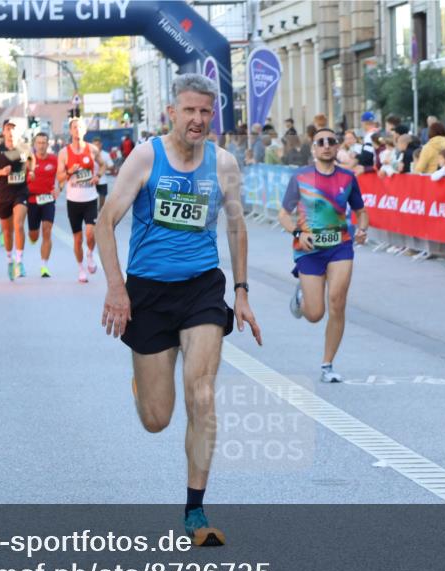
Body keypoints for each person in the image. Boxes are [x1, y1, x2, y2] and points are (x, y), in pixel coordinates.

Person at [95, 73, 262, 546]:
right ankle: (144, 384)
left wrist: (241, 291)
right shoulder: (146, 157)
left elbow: (236, 228)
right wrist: (116, 288)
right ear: (172, 112)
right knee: (157, 419)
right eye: (189, 110)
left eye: (205, 111)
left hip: (201, 289)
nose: (197, 119)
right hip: (148, 292)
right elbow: (106, 222)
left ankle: (195, 510)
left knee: (202, 394)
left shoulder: (223, 163)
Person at [279, 127, 369, 383]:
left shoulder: (348, 177)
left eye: (331, 141)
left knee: (337, 301)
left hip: (340, 246)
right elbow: (284, 214)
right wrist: (298, 233)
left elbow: (361, 211)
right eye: (321, 142)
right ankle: (302, 297)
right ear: (314, 148)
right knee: (315, 314)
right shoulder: (300, 177)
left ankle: (327, 365)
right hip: (309, 249)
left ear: (338, 146)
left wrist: (362, 229)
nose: (326, 145)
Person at [57, 117, 105, 283]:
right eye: (74, 127)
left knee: (90, 233)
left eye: (80, 127)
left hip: (90, 198)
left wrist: (98, 176)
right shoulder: (64, 153)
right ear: (71, 131)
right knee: (77, 239)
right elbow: (59, 177)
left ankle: (90, 254)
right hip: (73, 201)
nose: (77, 130)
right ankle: (81, 268)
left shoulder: (92, 149)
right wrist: (70, 171)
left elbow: (103, 165)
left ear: (85, 130)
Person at [0, 120, 32, 280]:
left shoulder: (24, 148)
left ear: (18, 132)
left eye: (13, 129)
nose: (11, 132)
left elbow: (31, 162)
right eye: (8, 129)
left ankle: (20, 261)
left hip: (21, 193)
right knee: (8, 232)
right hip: (4, 195)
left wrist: (31, 171)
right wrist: (1, 172)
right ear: (3, 132)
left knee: (19, 225)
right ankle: (10, 260)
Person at [25, 132, 60, 278]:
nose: (41, 146)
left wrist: (59, 188)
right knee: (34, 236)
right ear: (34, 144)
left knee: (47, 230)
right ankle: (32, 236)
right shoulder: (28, 160)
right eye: (39, 143)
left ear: (47, 144)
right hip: (32, 200)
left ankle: (44, 266)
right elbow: (20, 179)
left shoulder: (54, 159)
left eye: (44, 143)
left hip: (48, 199)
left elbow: (61, 176)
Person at [92, 136, 112, 211]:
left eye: (97, 144)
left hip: (102, 181)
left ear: (101, 145)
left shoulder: (105, 154)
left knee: (101, 203)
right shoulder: (89, 154)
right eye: (94, 145)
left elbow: (111, 166)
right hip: (92, 181)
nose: (95, 146)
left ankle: (100, 211)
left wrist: (103, 168)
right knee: (92, 203)